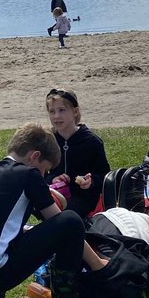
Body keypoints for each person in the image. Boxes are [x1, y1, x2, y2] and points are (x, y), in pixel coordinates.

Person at [0, 123, 107, 298]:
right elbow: (61, 222)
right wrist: (97, 264)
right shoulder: (29, 175)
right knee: (71, 221)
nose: (44, 176)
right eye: (45, 170)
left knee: (13, 233)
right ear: (35, 157)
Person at [45, 88, 110, 216]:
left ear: (75, 112)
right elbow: (38, 172)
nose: (56, 116)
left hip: (83, 195)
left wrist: (90, 181)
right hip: (55, 193)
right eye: (52, 111)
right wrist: (53, 179)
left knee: (68, 214)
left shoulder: (91, 141)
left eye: (62, 110)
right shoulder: (48, 139)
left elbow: (105, 175)